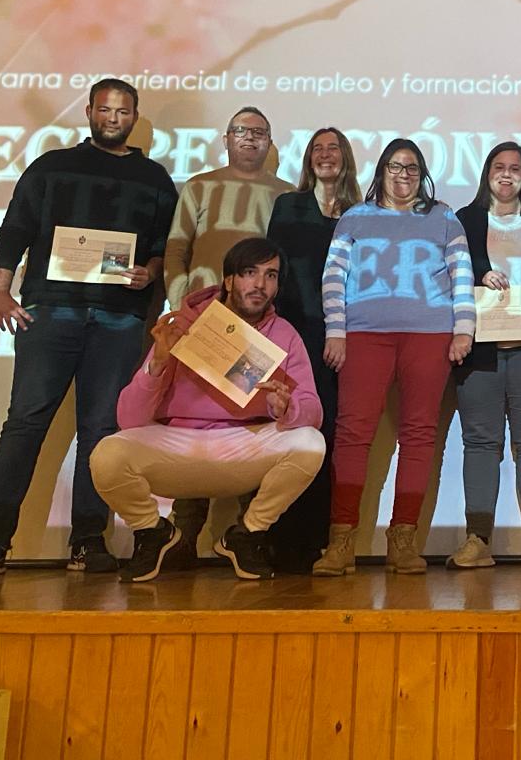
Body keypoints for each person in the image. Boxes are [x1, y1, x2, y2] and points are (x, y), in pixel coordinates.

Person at [0, 79, 178, 578]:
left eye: (123, 111)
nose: (114, 118)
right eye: (105, 109)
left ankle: (89, 542)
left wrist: (151, 272)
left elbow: (164, 244)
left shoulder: (156, 178)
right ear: (89, 112)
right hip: (50, 311)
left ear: (134, 116)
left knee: (101, 432)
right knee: (25, 424)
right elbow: (15, 228)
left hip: (119, 317)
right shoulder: (51, 167)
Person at [89, 237, 326, 581]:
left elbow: (313, 410)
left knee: (310, 443)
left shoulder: (284, 334)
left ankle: (246, 533)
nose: (260, 284)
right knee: (106, 454)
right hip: (177, 444)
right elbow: (129, 419)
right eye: (249, 273)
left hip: (244, 444)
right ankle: (152, 530)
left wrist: (288, 408)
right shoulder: (182, 326)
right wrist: (157, 363)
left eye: (271, 275)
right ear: (228, 280)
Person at [311, 139, 474, 576]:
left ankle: (403, 539)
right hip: (364, 335)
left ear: (422, 175)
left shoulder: (443, 218)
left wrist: (464, 329)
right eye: (395, 167)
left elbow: (462, 274)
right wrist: (336, 330)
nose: (404, 176)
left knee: (419, 435)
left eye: (413, 169)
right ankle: (340, 540)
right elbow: (333, 276)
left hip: (429, 334)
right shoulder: (354, 219)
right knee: (352, 434)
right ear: (381, 171)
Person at [160, 106, 293, 565]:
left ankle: (246, 535)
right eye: (242, 131)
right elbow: (176, 246)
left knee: (254, 419)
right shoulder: (198, 186)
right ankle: (183, 534)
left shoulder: (286, 194)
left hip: (256, 326)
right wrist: (181, 302)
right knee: (192, 420)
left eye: (260, 132)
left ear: (270, 142)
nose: (250, 139)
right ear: (226, 138)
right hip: (200, 322)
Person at [448, 142, 521, 570]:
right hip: (480, 347)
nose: (507, 175)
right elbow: (451, 272)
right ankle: (477, 539)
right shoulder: (465, 219)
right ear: (486, 173)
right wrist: (481, 272)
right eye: (499, 167)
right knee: (480, 443)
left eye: (515, 168)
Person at [263, 126, 362, 570]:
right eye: (318, 149)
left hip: (343, 338)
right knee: (287, 431)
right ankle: (278, 537)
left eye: (333, 148)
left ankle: (318, 540)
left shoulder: (362, 213)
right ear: (308, 160)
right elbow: (276, 270)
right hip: (293, 333)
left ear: (345, 158)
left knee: (332, 436)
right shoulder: (288, 204)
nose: (326, 155)